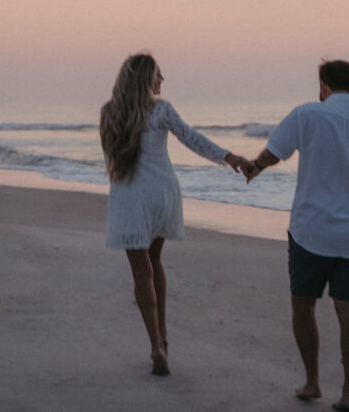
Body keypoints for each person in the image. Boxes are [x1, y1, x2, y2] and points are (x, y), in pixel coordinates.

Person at [247, 60, 349, 412]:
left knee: (303, 304)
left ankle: (312, 381)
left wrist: (254, 166)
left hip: (310, 231)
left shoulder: (308, 114)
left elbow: (275, 152)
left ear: (323, 86)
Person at [100, 52, 254, 376]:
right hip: (163, 192)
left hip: (131, 193)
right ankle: (165, 337)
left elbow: (112, 157)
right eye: (158, 74)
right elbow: (192, 139)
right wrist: (231, 157)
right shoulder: (162, 110)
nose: (162, 79)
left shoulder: (110, 113)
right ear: (146, 79)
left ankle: (155, 344)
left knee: (141, 270)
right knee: (155, 262)